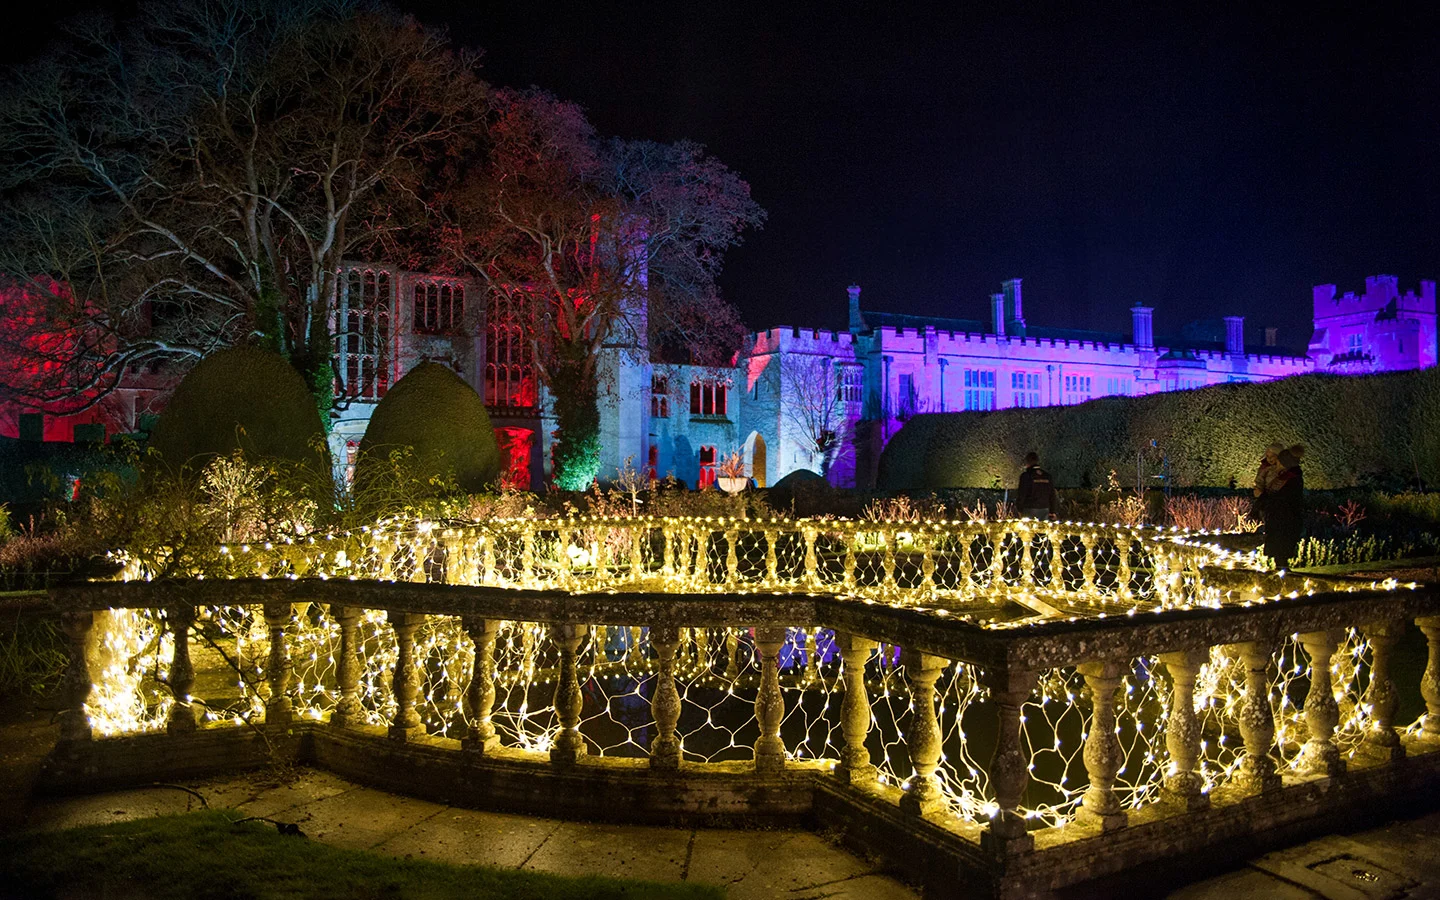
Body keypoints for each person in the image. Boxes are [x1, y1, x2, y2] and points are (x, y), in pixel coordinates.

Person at [1262, 444, 1305, 570]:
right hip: (1281, 519)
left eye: (1280, 462)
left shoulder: (1290, 479)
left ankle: (1282, 572)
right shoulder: (1285, 477)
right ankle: (1281, 569)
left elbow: (1282, 499)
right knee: (1279, 553)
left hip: (1284, 520)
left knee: (1281, 550)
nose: (1277, 464)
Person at [1016, 452, 1059, 520]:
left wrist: (1019, 509)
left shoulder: (1026, 476)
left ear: (1027, 462)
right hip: (1045, 508)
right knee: (1042, 529)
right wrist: (1052, 511)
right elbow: (1052, 494)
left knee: (1029, 529)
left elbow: (1022, 494)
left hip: (1029, 509)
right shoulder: (1047, 476)